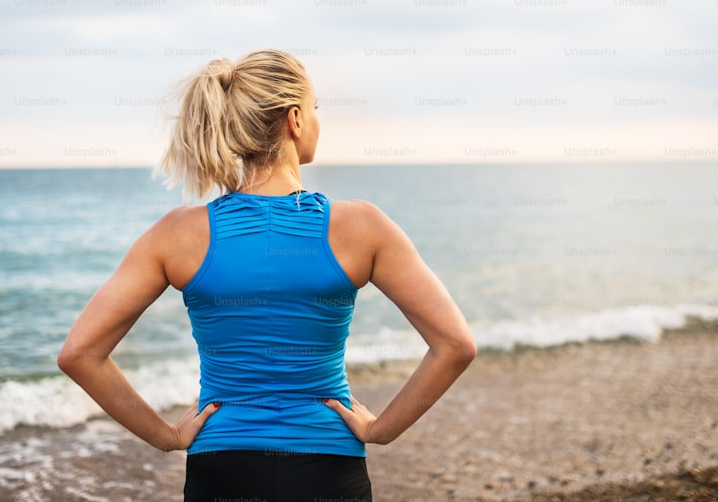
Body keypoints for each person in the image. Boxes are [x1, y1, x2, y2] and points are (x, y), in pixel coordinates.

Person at [58, 49, 476, 501]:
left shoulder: (177, 234)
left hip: (220, 469)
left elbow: (80, 354)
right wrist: (381, 429)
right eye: (315, 109)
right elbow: (455, 345)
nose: (317, 120)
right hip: (328, 467)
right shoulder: (361, 226)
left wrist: (166, 436)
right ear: (294, 119)